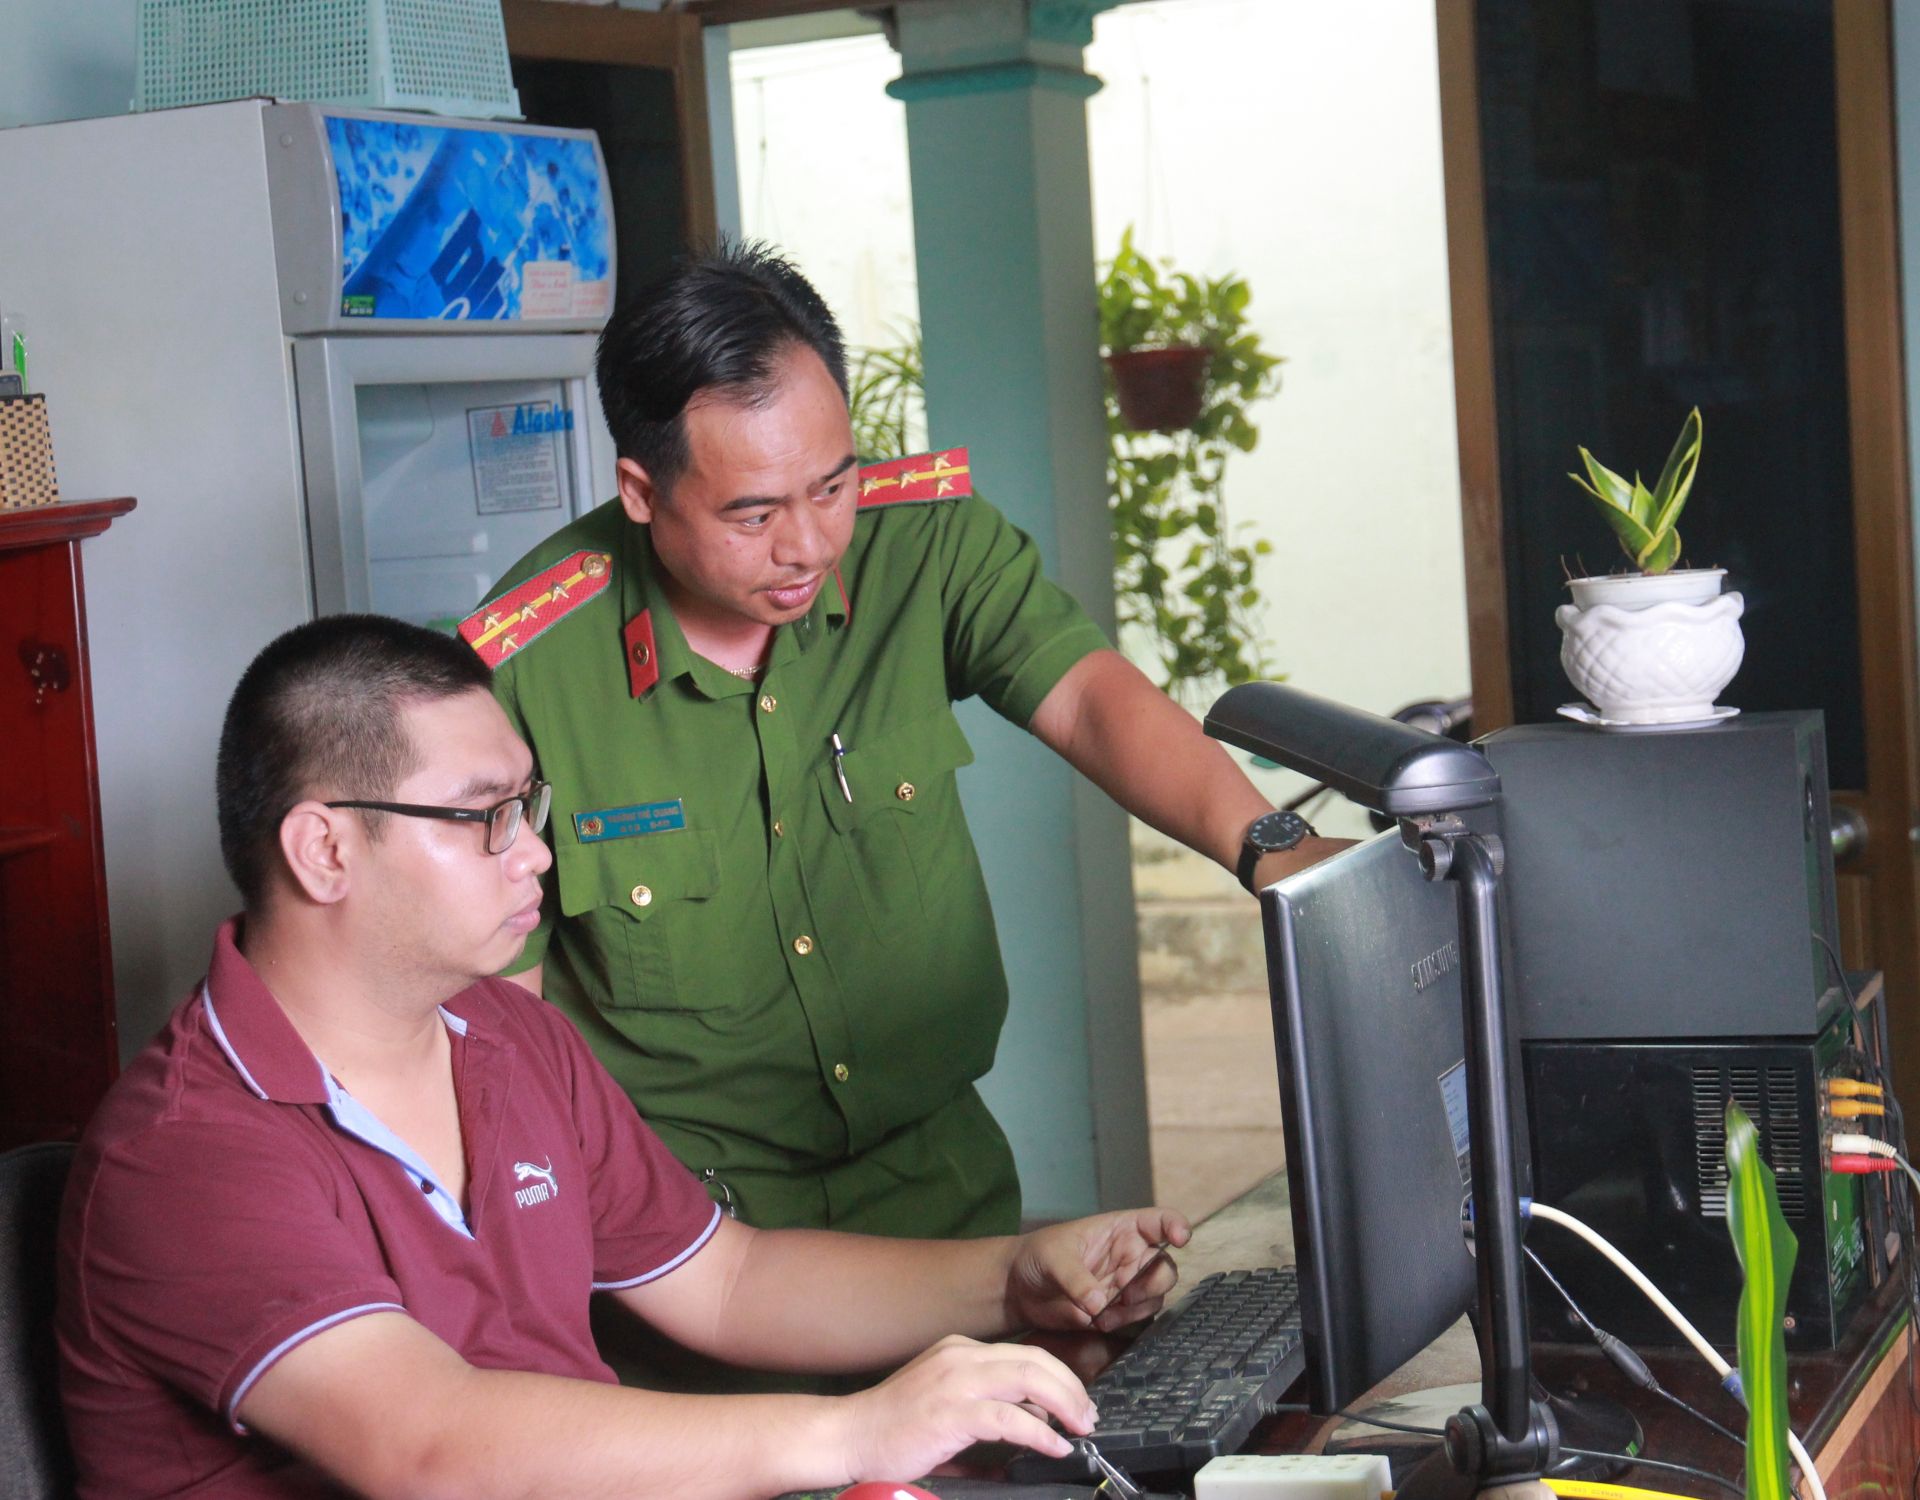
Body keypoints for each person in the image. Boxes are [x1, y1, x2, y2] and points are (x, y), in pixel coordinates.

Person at [56, 615, 1190, 1500]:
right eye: (486, 817)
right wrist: (853, 1430)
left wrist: (1017, 1277)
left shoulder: (508, 1035)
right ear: (325, 849)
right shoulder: (186, 1151)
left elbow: (729, 1283)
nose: (536, 854)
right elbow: (427, 1447)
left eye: (530, 805)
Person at [468, 240, 1338, 1242]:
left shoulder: (925, 544)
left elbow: (1087, 697)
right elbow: (505, 1018)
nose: (808, 545)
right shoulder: (525, 669)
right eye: (754, 515)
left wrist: (1273, 849)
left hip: (939, 1195)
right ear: (640, 491)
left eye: (832, 487)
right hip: (690, 1236)